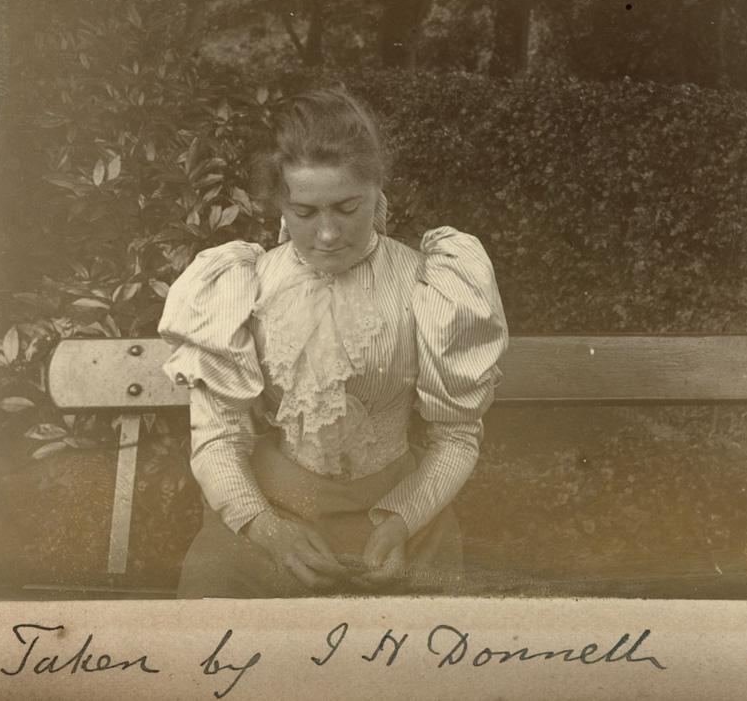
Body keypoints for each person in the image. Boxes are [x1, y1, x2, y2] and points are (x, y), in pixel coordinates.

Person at [158, 86, 509, 597]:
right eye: (304, 212)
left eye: (347, 207)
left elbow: (456, 437)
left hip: (403, 518)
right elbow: (218, 437)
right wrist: (266, 527)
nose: (327, 234)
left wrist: (402, 520)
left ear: (376, 188)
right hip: (268, 515)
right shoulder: (240, 285)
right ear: (281, 202)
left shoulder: (431, 284)